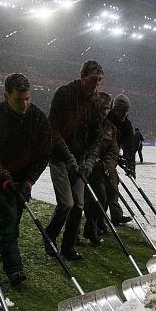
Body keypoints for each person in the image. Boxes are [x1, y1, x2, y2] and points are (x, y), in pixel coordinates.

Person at [0, 73, 53, 287]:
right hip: (0, 180)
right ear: (6, 96)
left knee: (13, 219)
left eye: (27, 98)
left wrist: (29, 182)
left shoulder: (37, 117)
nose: (24, 104)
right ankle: (14, 268)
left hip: (23, 180)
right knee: (8, 220)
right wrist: (4, 179)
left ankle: (1, 247)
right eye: (18, 99)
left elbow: (44, 154)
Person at [44, 60, 104, 260]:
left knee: (79, 205)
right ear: (82, 76)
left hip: (80, 160)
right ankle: (49, 236)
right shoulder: (64, 94)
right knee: (66, 204)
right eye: (93, 79)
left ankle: (67, 246)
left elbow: (97, 138)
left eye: (99, 80)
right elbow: (53, 130)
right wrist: (69, 157)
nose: (96, 84)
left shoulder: (96, 103)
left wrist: (88, 161)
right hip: (59, 157)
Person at [82, 92, 118, 246]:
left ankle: (91, 228)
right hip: (85, 168)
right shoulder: (86, 122)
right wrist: (90, 159)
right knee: (92, 201)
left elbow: (113, 150)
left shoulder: (110, 128)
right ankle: (89, 230)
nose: (105, 111)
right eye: (102, 108)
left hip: (101, 170)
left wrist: (105, 163)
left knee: (102, 200)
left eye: (107, 108)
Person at [107, 94, 134, 226]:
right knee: (100, 191)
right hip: (97, 157)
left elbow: (130, 148)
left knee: (113, 186)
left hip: (111, 159)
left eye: (126, 111)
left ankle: (116, 216)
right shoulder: (106, 118)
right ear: (115, 109)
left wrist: (131, 167)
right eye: (121, 111)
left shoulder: (127, 126)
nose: (124, 114)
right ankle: (97, 221)